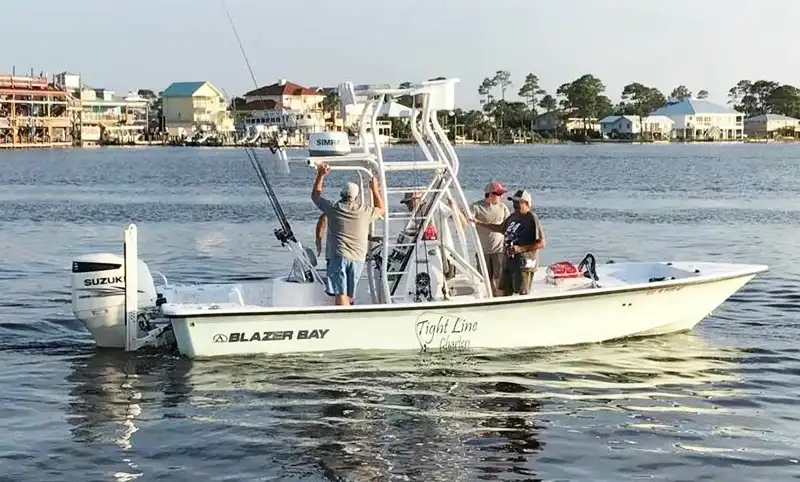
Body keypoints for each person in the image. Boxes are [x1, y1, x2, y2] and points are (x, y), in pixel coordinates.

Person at [311, 163, 385, 305]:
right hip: (358, 258)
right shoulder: (365, 212)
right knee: (349, 295)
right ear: (356, 197)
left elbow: (315, 196)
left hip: (340, 256)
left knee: (341, 292)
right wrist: (375, 190)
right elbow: (381, 209)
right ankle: (347, 313)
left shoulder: (333, 208)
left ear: (341, 194)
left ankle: (341, 320)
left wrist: (320, 174)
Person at [471, 189, 545, 296]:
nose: (515, 204)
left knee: (520, 293)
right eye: (513, 202)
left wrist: (520, 249)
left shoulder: (531, 218)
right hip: (509, 262)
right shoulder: (513, 216)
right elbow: (501, 228)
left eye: (518, 202)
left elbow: (541, 243)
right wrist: (479, 223)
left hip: (523, 263)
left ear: (527, 203)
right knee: (503, 291)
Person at [454, 180, 510, 296]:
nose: (501, 196)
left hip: (499, 249)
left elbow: (509, 226)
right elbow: (465, 221)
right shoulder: (477, 207)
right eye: (499, 194)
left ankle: (500, 297)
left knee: (499, 276)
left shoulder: (503, 207)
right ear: (491, 194)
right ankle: (491, 296)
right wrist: (455, 209)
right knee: (486, 278)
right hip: (483, 250)